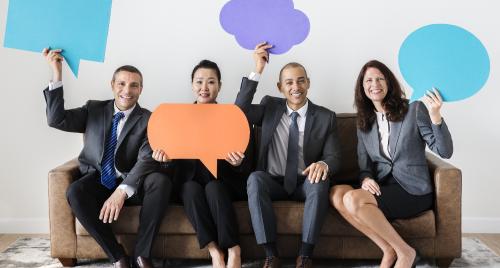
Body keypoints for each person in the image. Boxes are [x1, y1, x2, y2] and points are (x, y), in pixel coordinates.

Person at [43, 48, 172, 268]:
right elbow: (56, 119)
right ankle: (118, 257)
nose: (127, 90)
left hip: (134, 185)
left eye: (134, 85)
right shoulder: (93, 109)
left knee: (160, 181)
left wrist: (121, 192)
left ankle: (142, 255)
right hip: (100, 180)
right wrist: (57, 75)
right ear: (112, 85)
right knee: (75, 190)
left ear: (141, 89)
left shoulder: (149, 119)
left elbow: (146, 160)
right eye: (121, 83)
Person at [330, 60, 453, 268]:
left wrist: (435, 116)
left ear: (389, 83)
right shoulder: (364, 122)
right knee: (336, 193)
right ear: (362, 88)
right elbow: (364, 166)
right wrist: (366, 178)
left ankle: (405, 252)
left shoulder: (413, 109)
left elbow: (444, 151)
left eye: (380, 78)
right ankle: (388, 249)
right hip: (383, 186)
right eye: (368, 80)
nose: (374, 84)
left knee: (353, 198)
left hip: (413, 190)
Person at [235, 43, 341, 268]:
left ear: (308, 83)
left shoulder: (325, 117)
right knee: (255, 178)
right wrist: (258, 68)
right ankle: (271, 254)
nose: (296, 86)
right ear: (280, 87)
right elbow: (239, 112)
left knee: (320, 180)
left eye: (301, 80)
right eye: (289, 82)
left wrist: (323, 163)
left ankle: (305, 255)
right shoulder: (269, 107)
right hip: (272, 181)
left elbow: (334, 157)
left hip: (305, 183)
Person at [152, 60, 251, 268]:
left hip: (223, 182)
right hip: (190, 181)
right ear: (192, 85)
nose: (204, 88)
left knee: (214, 188)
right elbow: (170, 161)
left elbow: (245, 164)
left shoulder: (231, 116)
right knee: (188, 189)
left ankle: (233, 248)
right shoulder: (178, 118)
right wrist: (165, 161)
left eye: (211, 82)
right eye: (199, 82)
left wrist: (238, 162)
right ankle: (214, 251)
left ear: (220, 86)